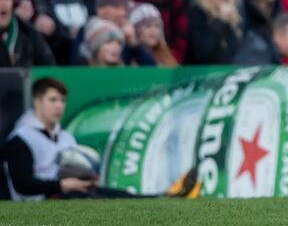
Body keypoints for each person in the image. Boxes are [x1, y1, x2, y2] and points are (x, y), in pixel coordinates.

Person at [2, 77, 200, 200]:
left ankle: (163, 196)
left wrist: (86, 175)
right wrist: (63, 185)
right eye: (52, 100)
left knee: (111, 193)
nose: (59, 106)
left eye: (62, 101)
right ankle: (164, 198)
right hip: (46, 199)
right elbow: (23, 184)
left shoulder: (65, 136)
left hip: (71, 191)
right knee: (99, 198)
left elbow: (74, 169)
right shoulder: (22, 138)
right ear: (37, 102)